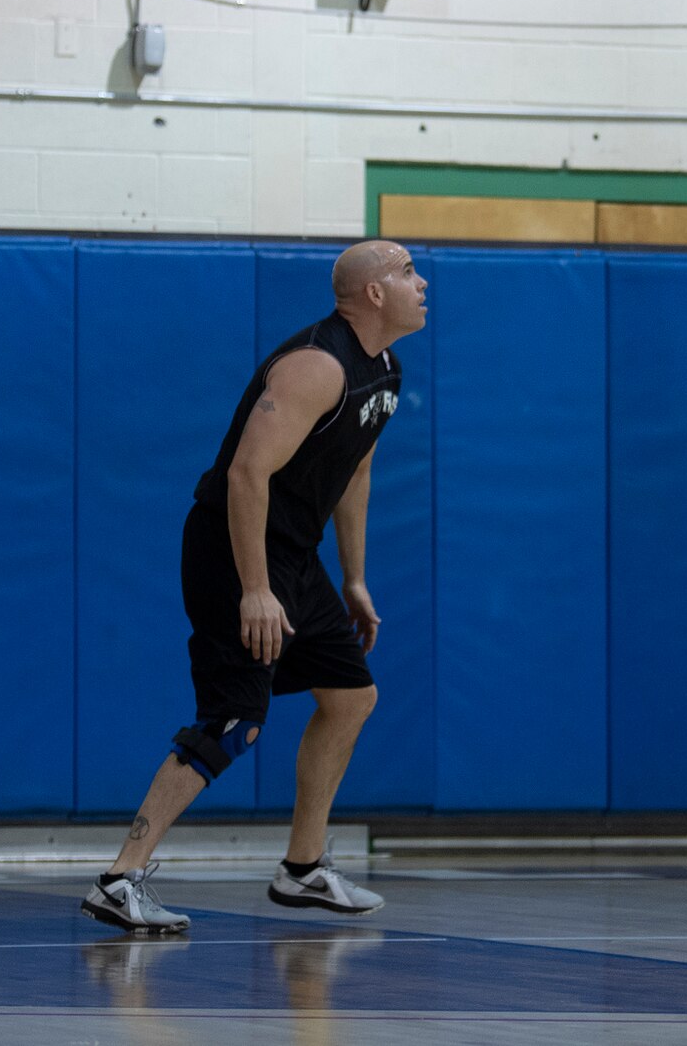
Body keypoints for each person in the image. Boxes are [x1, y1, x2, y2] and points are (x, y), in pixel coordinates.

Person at [80, 241, 429, 934]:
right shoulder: (316, 366)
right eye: (408, 272)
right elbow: (246, 474)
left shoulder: (384, 371)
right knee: (236, 719)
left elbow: (354, 472)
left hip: (295, 556)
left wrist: (353, 576)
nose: (423, 283)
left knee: (352, 695)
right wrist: (254, 588)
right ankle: (121, 878)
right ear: (374, 294)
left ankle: (303, 869)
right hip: (231, 550)